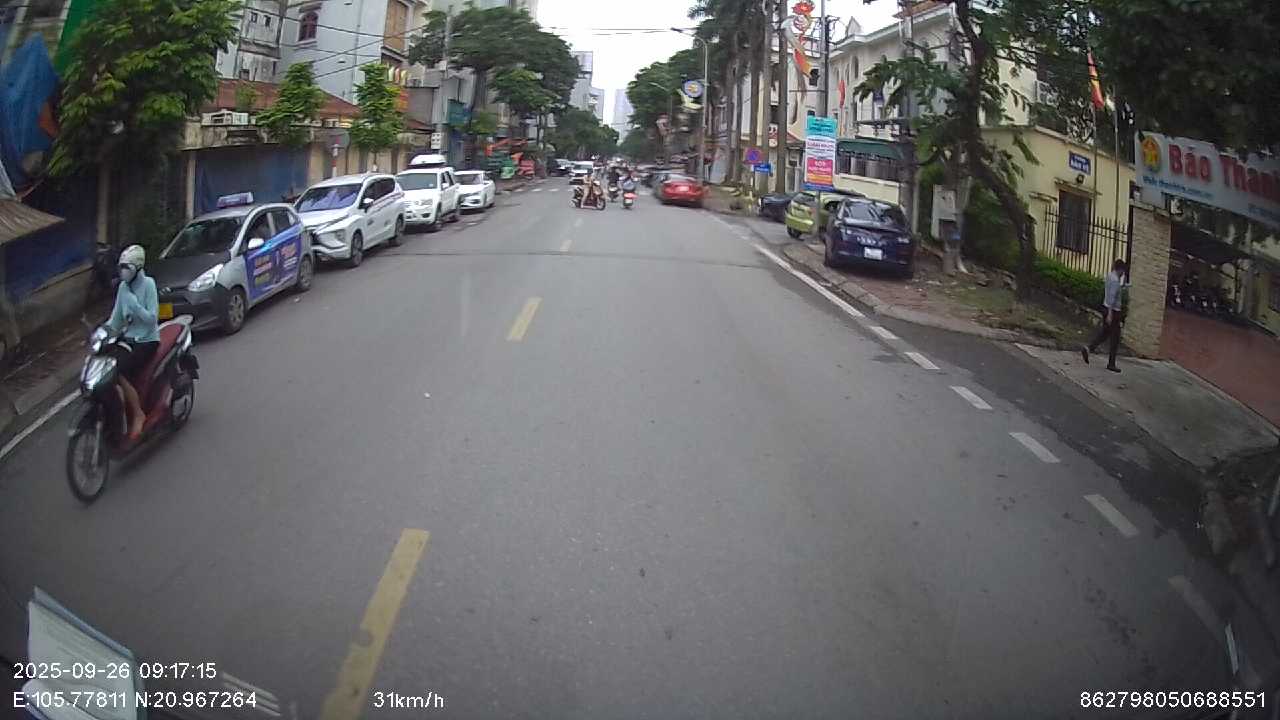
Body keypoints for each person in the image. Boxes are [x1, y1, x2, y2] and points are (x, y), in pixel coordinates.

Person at [106, 244, 160, 440]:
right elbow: (116, 319)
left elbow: (152, 319)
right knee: (105, 367)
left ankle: (138, 414)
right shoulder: (123, 288)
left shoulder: (149, 285)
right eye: (121, 267)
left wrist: (135, 305)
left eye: (127, 268)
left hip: (146, 340)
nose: (123, 272)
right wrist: (102, 332)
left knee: (119, 371)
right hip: (128, 339)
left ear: (137, 268)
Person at [1082, 258, 1128, 373]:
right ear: (1120, 269)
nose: (1123, 274)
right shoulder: (1115, 281)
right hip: (1113, 311)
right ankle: (1111, 363)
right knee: (1115, 338)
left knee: (1105, 333)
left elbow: (1110, 293)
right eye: (1123, 271)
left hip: (1105, 307)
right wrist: (1110, 314)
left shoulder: (1109, 276)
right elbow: (1112, 298)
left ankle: (1089, 348)